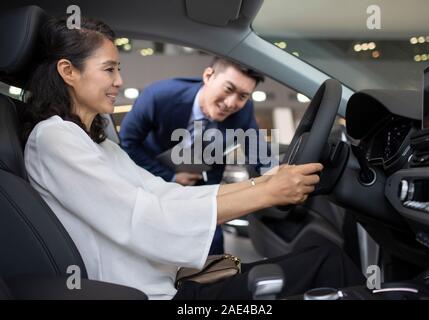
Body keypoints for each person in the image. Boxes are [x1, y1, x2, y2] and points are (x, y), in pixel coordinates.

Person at [21, 16, 364, 300]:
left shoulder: (97, 144)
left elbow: (163, 195)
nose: (119, 81)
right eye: (109, 69)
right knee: (326, 265)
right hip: (152, 293)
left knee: (324, 261)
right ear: (68, 71)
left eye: (118, 69)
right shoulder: (56, 137)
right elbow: (144, 217)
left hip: (168, 274)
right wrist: (266, 193)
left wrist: (268, 181)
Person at [119, 57, 271, 255]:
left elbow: (258, 153)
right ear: (208, 76)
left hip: (205, 184)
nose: (231, 103)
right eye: (228, 89)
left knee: (213, 247)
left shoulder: (244, 111)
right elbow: (127, 143)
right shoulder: (159, 96)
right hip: (153, 180)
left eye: (242, 96)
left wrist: (276, 177)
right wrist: (171, 177)